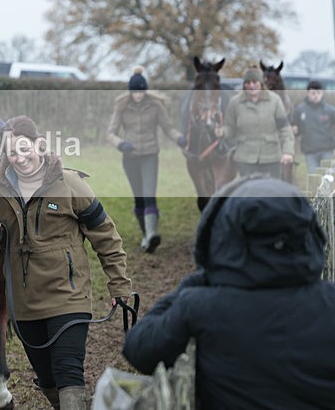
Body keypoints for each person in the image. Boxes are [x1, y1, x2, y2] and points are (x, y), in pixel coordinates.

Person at [122, 175, 335, 409]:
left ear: (222, 236)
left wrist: (202, 276)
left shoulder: (201, 306)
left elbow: (137, 348)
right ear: (310, 236)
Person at [0, 115, 132, 410]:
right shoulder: (0, 191)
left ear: (39, 144)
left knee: (68, 372)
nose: (20, 158)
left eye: (24, 148)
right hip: (24, 303)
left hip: (68, 297)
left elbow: (106, 236)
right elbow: (8, 238)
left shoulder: (70, 184)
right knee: (47, 379)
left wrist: (119, 284)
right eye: (12, 152)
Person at [106, 66, 186, 253]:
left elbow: (168, 127)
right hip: (130, 158)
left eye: (141, 92)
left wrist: (179, 139)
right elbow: (110, 133)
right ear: (130, 91)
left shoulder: (155, 106)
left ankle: (151, 235)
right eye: (135, 92)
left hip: (150, 156)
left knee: (149, 195)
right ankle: (145, 235)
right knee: (139, 198)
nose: (138, 95)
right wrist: (121, 144)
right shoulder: (122, 106)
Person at [214, 66, 294, 179]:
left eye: (255, 82)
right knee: (249, 188)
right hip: (245, 158)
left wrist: (288, 151)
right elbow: (230, 127)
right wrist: (222, 132)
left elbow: (284, 128)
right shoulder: (235, 103)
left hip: (271, 157)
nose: (251, 86)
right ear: (244, 85)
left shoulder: (275, 100)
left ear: (261, 83)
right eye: (248, 83)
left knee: (270, 189)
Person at [291, 80, 335, 173]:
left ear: (322, 93)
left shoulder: (330, 110)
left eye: (318, 93)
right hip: (310, 150)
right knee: (313, 175)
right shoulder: (300, 110)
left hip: (327, 149)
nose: (316, 96)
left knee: (327, 176)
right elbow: (295, 129)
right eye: (313, 93)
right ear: (308, 93)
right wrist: (294, 130)